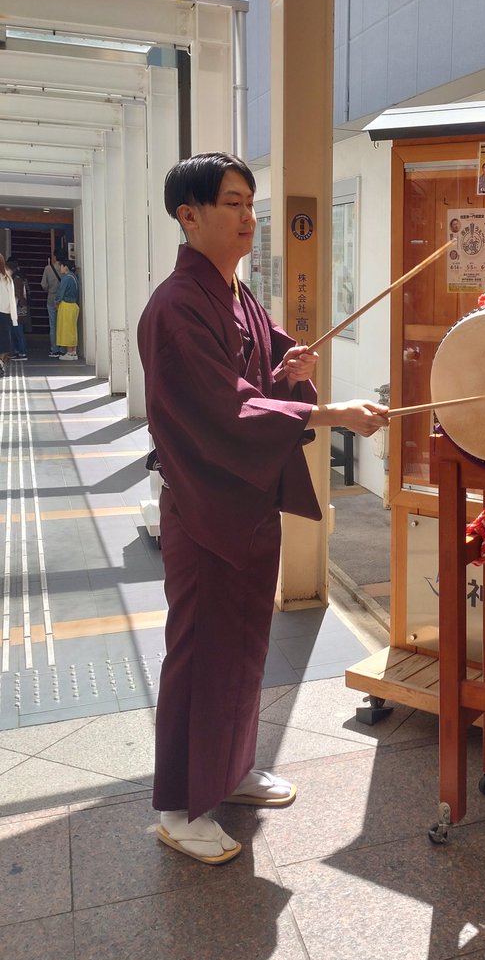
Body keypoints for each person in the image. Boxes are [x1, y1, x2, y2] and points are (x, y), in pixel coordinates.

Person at [137, 152, 389, 866]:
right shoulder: (177, 307)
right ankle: (180, 806)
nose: (249, 218)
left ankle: (232, 769)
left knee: (245, 644)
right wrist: (331, 411)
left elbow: (264, 366)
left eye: (251, 203)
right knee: (202, 651)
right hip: (205, 503)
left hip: (244, 501)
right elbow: (226, 406)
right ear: (189, 216)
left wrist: (291, 367)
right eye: (232, 204)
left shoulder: (235, 294)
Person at [55, 262, 80, 361]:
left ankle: (69, 352)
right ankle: (73, 352)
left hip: (66, 305)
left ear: (65, 267)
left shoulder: (66, 278)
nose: (59, 268)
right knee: (72, 329)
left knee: (66, 329)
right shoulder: (74, 277)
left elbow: (60, 292)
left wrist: (57, 302)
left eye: (60, 266)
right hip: (74, 305)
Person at [41, 253, 63, 357]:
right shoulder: (65, 268)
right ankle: (63, 349)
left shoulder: (48, 268)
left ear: (54, 257)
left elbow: (43, 284)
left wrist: (49, 289)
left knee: (53, 325)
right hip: (63, 300)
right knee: (62, 324)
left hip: (51, 299)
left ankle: (54, 349)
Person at [7, 257, 28, 360]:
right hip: (22, 306)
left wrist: (11, 307)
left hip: (17, 307)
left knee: (17, 330)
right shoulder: (21, 277)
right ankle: (19, 350)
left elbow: (17, 295)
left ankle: (22, 352)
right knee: (17, 330)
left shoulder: (16, 279)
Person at [0, 254, 18, 375]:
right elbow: (12, 299)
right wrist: (14, 318)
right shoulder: (7, 279)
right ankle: (1, 363)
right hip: (5, 314)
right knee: (5, 342)